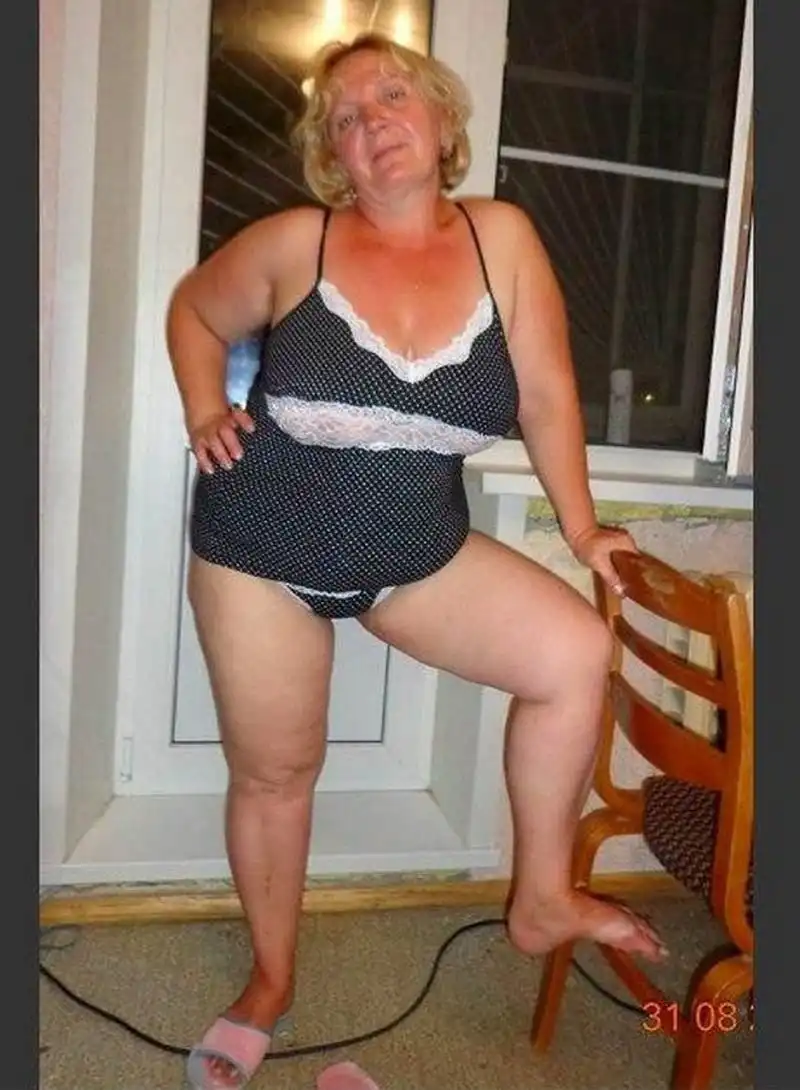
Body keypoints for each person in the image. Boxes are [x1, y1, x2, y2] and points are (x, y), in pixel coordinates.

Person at [167, 31, 666, 1090]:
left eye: (391, 94)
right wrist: (206, 406)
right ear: (332, 156)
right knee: (277, 772)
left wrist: (584, 530)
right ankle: (270, 980)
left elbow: (547, 395)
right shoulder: (295, 242)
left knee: (572, 654)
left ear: (441, 119)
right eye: (345, 117)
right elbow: (195, 312)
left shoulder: (503, 239)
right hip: (258, 548)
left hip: (411, 552)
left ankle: (540, 898)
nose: (371, 122)